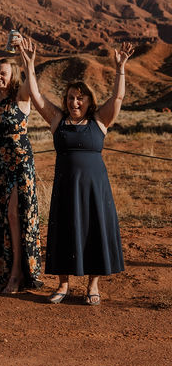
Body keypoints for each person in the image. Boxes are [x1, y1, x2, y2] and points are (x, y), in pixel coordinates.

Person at [19, 37, 133, 305]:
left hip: (95, 187)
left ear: (88, 100)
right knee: (64, 231)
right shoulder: (57, 119)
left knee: (94, 230)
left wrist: (120, 69)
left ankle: (93, 286)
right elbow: (36, 96)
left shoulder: (100, 120)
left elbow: (118, 96)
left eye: (79, 98)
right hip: (66, 186)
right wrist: (30, 64)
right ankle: (63, 285)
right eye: (70, 98)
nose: (74, 103)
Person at [0, 49, 42, 293]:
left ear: (12, 75)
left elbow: (32, 84)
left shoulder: (21, 97)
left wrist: (28, 60)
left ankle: (17, 274)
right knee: (0, 219)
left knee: (16, 217)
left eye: (3, 73)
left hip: (20, 165)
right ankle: (3, 272)